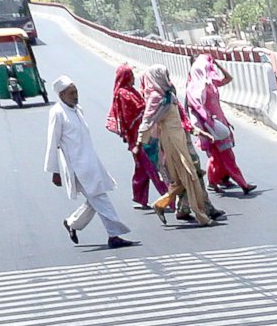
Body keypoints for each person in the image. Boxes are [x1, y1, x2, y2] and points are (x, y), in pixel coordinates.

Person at [44, 75, 134, 249]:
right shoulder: (57, 112)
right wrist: (55, 171)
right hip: (77, 167)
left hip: (91, 162)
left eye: (76, 92)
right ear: (62, 95)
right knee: (101, 199)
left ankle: (72, 223)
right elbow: (52, 142)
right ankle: (114, 235)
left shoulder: (78, 110)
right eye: (71, 93)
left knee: (95, 199)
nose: (75, 96)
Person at [138, 63, 223, 227]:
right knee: (191, 176)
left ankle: (166, 205)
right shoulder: (156, 97)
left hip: (181, 139)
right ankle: (201, 214)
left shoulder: (169, 94)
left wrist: (198, 132)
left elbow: (183, 118)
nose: (168, 79)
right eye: (166, 76)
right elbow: (147, 120)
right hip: (171, 143)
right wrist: (140, 141)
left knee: (187, 178)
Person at [184, 52, 255, 195]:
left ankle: (213, 181)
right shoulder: (194, 88)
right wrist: (207, 126)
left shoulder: (209, 83)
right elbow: (198, 109)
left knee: (218, 157)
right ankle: (243, 184)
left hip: (219, 123)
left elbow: (228, 79)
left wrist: (217, 64)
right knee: (225, 156)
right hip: (209, 127)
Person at [107, 62, 163, 208]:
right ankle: (168, 199)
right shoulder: (123, 94)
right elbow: (131, 116)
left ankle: (139, 197)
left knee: (142, 168)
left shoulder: (131, 91)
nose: (133, 78)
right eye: (131, 76)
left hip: (145, 133)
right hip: (139, 137)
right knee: (152, 167)